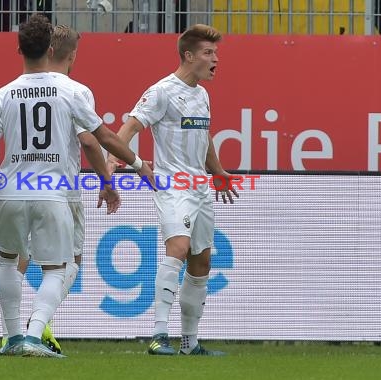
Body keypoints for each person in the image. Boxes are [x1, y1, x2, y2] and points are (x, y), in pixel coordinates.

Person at [0, 13, 155, 358]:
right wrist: (137, 163)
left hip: (11, 192)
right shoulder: (72, 91)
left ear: (18, 49)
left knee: (6, 262)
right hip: (53, 192)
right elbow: (101, 137)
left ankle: (12, 338)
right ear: (50, 47)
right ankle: (32, 334)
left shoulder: (3, 94)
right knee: (58, 269)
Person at [106, 24, 238, 356]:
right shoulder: (161, 91)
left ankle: (190, 342)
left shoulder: (203, 94)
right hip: (171, 186)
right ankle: (158, 335)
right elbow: (131, 125)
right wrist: (111, 163)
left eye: (216, 53)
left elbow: (205, 137)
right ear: (188, 55)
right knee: (177, 248)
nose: (215, 60)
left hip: (200, 188)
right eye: (209, 53)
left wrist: (218, 170)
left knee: (201, 263)